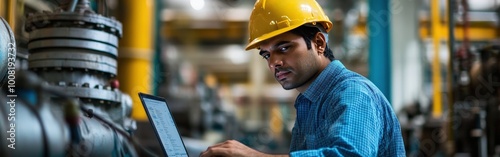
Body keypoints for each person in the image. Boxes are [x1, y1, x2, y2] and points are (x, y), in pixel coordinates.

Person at [200, 0, 406, 156]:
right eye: (266, 54)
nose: (273, 63)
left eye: (284, 48)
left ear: (318, 43)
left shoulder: (352, 92)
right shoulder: (309, 102)